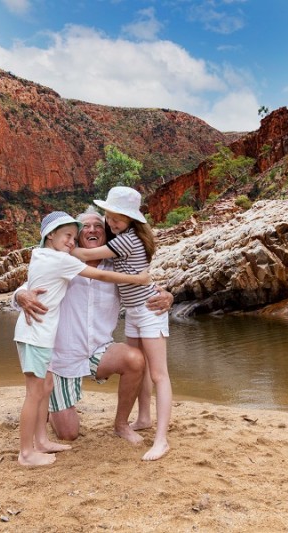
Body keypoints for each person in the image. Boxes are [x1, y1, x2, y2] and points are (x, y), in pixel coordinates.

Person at [15, 208, 173, 448]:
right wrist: (20, 296)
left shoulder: (117, 266)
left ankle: (121, 425)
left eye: (98, 226)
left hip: (99, 351)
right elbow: (29, 286)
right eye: (85, 226)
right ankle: (46, 410)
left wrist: (168, 296)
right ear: (77, 236)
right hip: (61, 358)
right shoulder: (61, 263)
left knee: (134, 359)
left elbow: (143, 285)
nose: (91, 229)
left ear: (106, 233)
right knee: (68, 433)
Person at [71, 186, 171, 461]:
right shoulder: (120, 244)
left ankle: (161, 440)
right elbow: (132, 274)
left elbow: (82, 256)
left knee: (158, 373)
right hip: (136, 313)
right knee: (142, 366)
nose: (112, 222)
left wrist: (61, 247)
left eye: (118, 218)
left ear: (131, 220)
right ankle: (144, 418)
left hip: (148, 310)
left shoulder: (123, 242)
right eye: (110, 217)